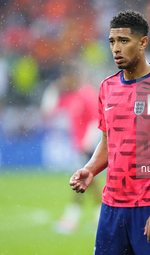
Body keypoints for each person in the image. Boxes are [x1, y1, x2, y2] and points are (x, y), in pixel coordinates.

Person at [69, 10, 150, 255]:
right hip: (112, 208)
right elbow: (107, 141)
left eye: (124, 41)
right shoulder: (106, 87)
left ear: (143, 42)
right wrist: (90, 169)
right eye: (112, 41)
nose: (116, 48)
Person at [41, 67, 102, 234]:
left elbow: (96, 120)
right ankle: (98, 219)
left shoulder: (86, 94)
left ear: (73, 77)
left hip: (88, 147)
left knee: (82, 182)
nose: (65, 83)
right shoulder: (69, 96)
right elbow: (48, 111)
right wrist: (53, 89)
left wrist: (87, 144)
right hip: (79, 147)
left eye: (66, 79)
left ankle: (71, 220)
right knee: (87, 183)